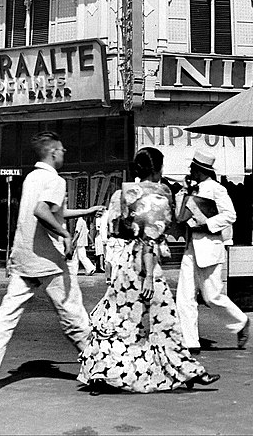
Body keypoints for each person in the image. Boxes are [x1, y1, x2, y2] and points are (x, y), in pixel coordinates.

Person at [0, 131, 103, 392]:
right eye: (62, 149)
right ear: (53, 152)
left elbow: (56, 212)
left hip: (24, 257)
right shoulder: (55, 179)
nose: (64, 152)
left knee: (6, 315)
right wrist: (65, 234)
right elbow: (42, 211)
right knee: (73, 314)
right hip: (48, 260)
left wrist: (85, 211)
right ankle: (100, 368)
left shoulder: (32, 178)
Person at [78, 147, 219, 395]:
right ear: (158, 169)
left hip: (123, 261)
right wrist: (149, 277)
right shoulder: (161, 194)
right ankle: (187, 371)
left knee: (121, 318)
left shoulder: (122, 193)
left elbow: (116, 228)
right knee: (165, 320)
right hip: (146, 264)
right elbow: (152, 237)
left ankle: (103, 372)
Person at [176, 150, 250, 354]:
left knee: (212, 296)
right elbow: (180, 213)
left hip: (209, 245)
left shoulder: (217, 189)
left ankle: (240, 321)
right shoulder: (191, 189)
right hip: (191, 246)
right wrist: (184, 191)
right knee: (184, 296)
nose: (190, 171)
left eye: (192, 168)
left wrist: (208, 223)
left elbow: (230, 215)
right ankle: (190, 341)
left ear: (200, 170)